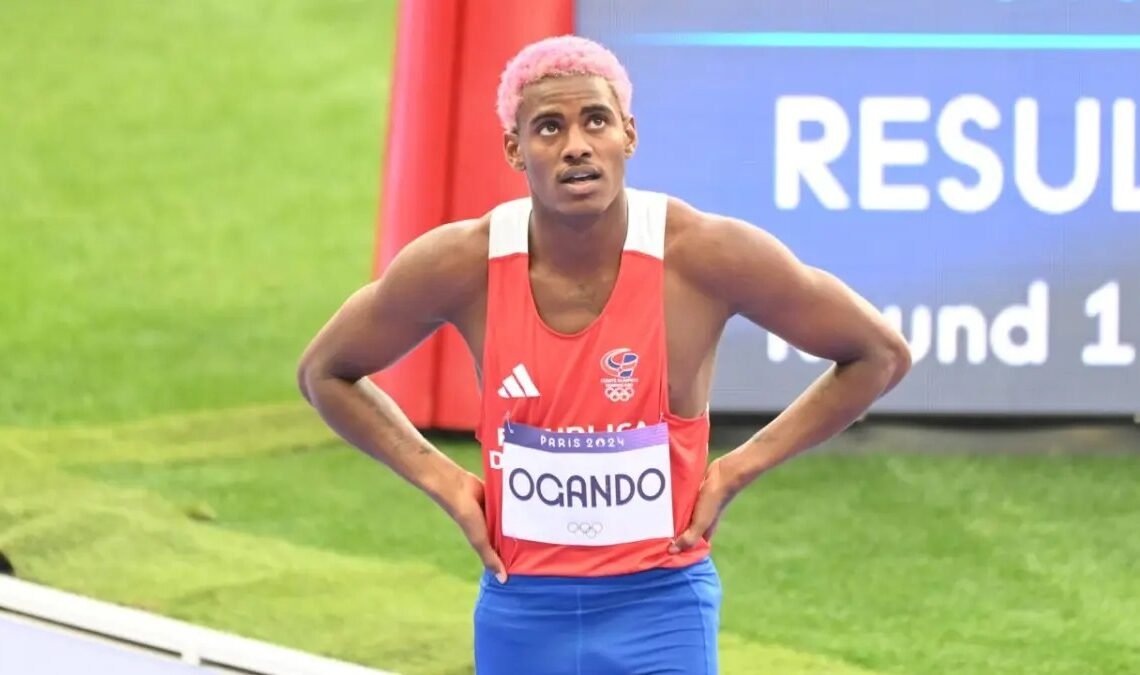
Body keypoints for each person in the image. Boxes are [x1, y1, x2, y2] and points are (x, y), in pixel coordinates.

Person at [298, 35, 911, 675]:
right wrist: (444, 481)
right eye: (548, 127)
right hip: (520, 608)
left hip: (662, 607)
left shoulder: (702, 256)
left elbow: (878, 353)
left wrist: (736, 469)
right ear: (514, 149)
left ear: (629, 135)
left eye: (596, 120)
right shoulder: (462, 264)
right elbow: (324, 373)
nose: (576, 146)